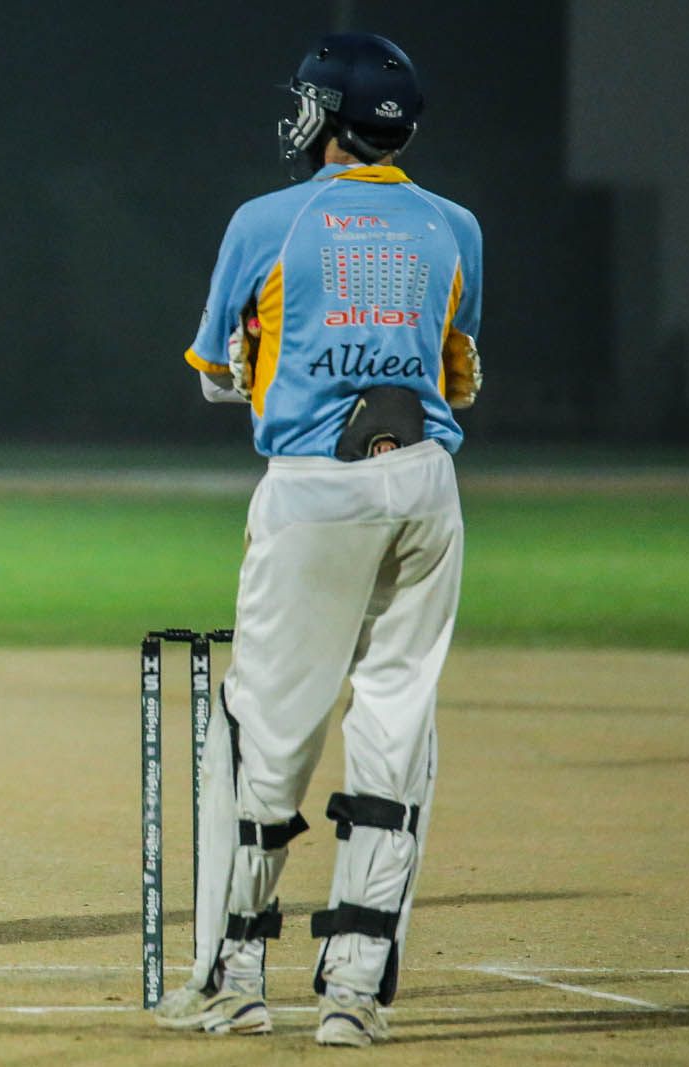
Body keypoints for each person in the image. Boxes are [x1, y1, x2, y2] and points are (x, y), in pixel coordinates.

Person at [155, 33, 482, 1047]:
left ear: (329, 117)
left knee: (263, 730)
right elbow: (459, 375)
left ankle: (236, 976)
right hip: (425, 488)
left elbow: (219, 373)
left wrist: (265, 362)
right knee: (395, 726)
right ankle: (355, 990)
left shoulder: (267, 220)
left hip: (313, 490)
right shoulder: (457, 226)